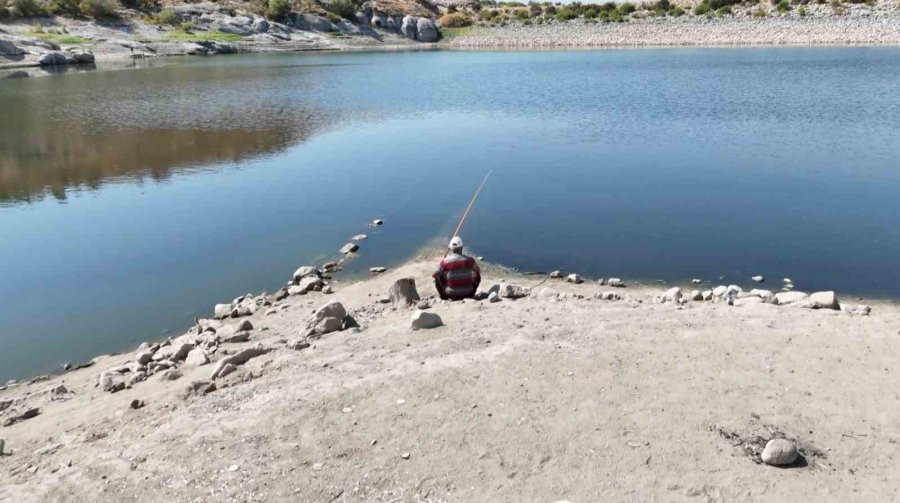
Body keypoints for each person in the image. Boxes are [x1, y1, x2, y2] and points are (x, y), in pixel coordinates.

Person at [433, 236, 481, 300]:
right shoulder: (471, 260)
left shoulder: (444, 261)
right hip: (469, 293)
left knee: (438, 276)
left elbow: (434, 275)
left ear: (450, 248)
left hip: (450, 294)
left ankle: (443, 296)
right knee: (477, 274)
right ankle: (469, 290)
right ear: (462, 247)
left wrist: (438, 266)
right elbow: (478, 271)